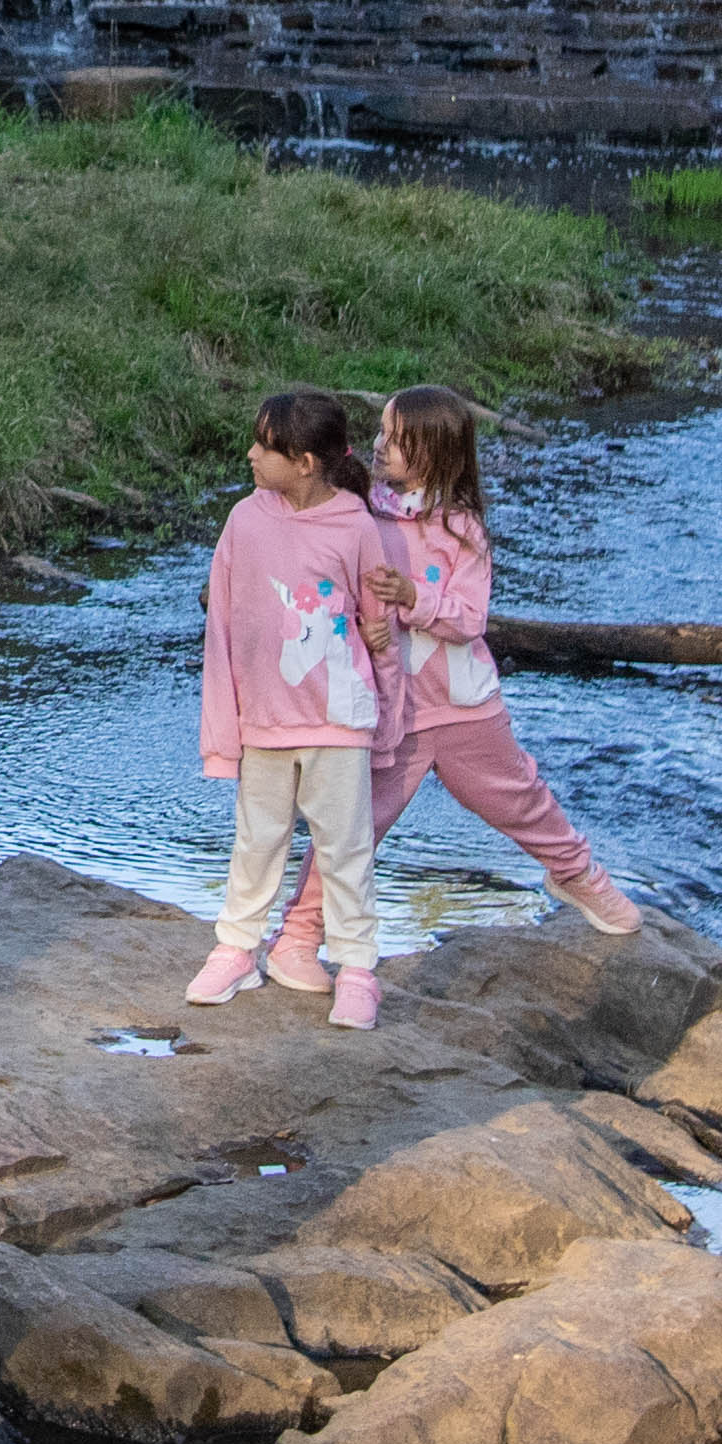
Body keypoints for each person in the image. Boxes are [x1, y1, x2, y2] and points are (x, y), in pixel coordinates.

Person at [269, 383, 642, 990]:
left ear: (437, 451)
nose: (381, 444)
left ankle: (577, 875)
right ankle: (298, 936)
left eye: (396, 437)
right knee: (351, 822)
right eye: (382, 433)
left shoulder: (463, 528)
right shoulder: (364, 511)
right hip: (388, 710)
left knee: (521, 796)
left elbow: (470, 619)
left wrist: (414, 597)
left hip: (466, 706)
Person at [186, 387, 388, 1029]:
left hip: (338, 718)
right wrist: (225, 725)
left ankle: (357, 969)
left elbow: (377, 619)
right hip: (266, 719)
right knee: (257, 841)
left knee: (345, 847)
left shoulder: (356, 523)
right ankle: (237, 950)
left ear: (303, 462)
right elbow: (223, 619)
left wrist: (384, 654)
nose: (250, 454)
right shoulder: (246, 519)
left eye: (263, 446)